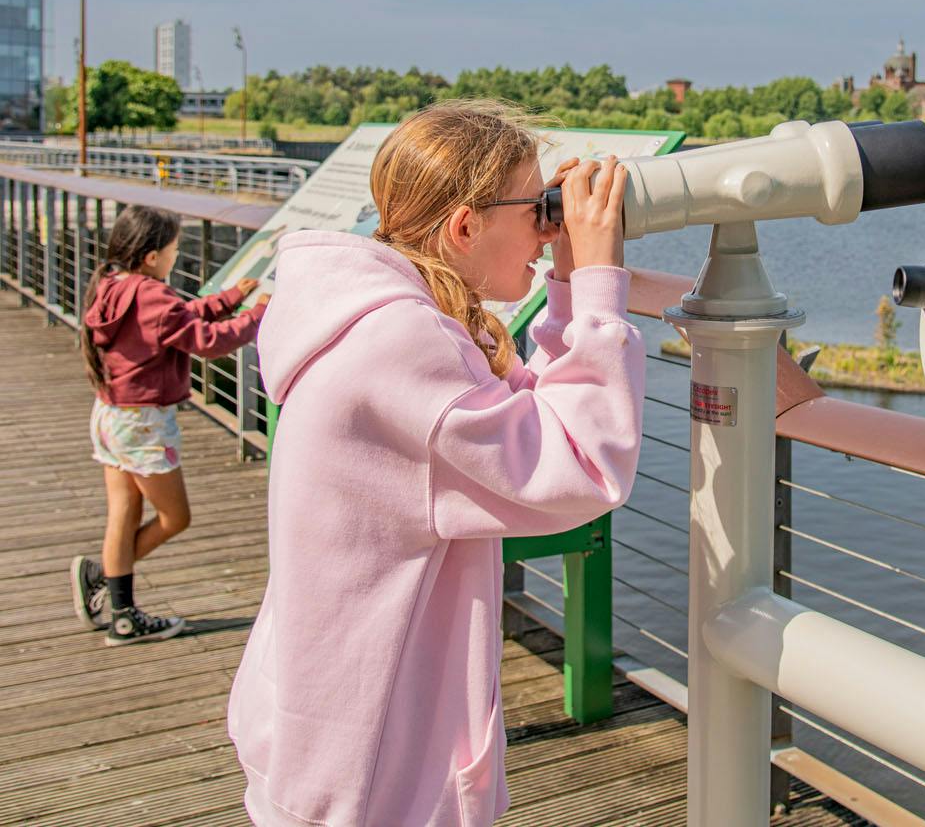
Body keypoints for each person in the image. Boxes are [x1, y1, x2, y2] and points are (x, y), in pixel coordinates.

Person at [228, 102, 644, 827]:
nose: (547, 229)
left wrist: (571, 282)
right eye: (537, 207)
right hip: (376, 775)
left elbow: (542, 418)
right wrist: (602, 279)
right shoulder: (402, 347)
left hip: (329, 730)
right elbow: (583, 465)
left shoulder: (371, 317)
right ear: (464, 226)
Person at [73, 205, 267, 644]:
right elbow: (208, 342)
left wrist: (231, 297)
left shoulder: (112, 284)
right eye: (174, 250)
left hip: (111, 415)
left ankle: (121, 612)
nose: (176, 257)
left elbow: (175, 318)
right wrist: (257, 315)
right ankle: (107, 580)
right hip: (144, 424)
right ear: (151, 256)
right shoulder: (152, 295)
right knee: (175, 516)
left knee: (123, 513)